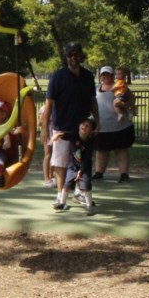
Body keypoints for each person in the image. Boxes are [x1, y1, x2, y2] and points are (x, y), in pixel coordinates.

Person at [40, 41, 98, 211]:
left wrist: (97, 121)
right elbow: (49, 104)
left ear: (81, 56)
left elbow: (92, 100)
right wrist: (44, 127)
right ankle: (60, 195)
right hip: (62, 126)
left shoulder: (87, 76)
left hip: (82, 129)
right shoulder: (58, 77)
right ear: (66, 57)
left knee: (81, 162)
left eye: (77, 54)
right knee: (60, 162)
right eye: (71, 54)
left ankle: (79, 191)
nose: (74, 57)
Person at [93, 66, 135, 183]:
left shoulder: (120, 88)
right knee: (101, 151)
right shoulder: (96, 88)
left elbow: (132, 99)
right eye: (103, 75)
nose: (106, 77)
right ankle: (99, 172)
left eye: (108, 74)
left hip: (120, 126)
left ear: (113, 75)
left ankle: (123, 174)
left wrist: (125, 106)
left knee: (121, 150)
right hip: (102, 127)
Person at [50, 114, 98, 215]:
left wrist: (81, 171)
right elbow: (66, 135)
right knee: (67, 184)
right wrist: (59, 135)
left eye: (87, 126)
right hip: (73, 166)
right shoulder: (74, 135)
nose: (84, 127)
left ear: (91, 131)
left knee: (86, 186)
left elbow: (86, 158)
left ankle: (89, 206)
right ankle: (62, 203)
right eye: (83, 124)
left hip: (84, 167)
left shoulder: (90, 143)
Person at [37, 95, 55, 187]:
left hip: (56, 132)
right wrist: (48, 119)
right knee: (48, 154)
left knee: (55, 155)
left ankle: (51, 175)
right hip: (48, 131)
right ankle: (46, 178)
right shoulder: (44, 108)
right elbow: (40, 122)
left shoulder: (57, 107)